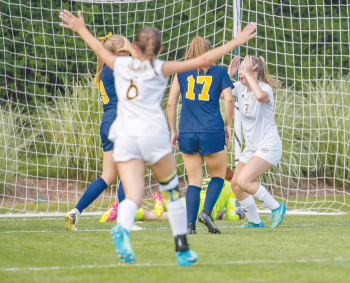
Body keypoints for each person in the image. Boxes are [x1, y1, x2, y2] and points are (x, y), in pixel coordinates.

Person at [59, 9, 256, 266]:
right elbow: (206, 57)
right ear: (158, 49)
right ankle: (182, 248)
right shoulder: (161, 67)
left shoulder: (119, 64)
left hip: (125, 134)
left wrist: (81, 28)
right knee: (172, 193)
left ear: (134, 49)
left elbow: (100, 48)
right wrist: (236, 41)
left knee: (132, 195)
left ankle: (123, 227)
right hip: (151, 135)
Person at [167, 36, 235, 235]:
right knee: (218, 175)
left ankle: (190, 226)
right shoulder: (219, 71)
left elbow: (171, 103)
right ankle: (206, 212)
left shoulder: (180, 70)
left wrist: (173, 131)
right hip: (212, 130)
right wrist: (228, 125)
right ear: (210, 52)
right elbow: (229, 99)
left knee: (194, 180)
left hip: (187, 132)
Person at [64, 32, 131, 231]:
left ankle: (75, 212)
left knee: (108, 177)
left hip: (108, 123)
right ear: (118, 53)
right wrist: (130, 48)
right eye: (125, 52)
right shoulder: (116, 66)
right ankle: (124, 222)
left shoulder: (106, 69)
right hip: (120, 122)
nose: (128, 55)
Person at [227, 54, 286, 228]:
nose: (240, 73)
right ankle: (255, 222)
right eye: (240, 70)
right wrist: (228, 75)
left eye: (244, 70)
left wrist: (250, 76)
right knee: (236, 185)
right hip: (252, 148)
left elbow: (260, 96)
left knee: (244, 181)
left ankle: (277, 208)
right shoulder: (239, 87)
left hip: (269, 146)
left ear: (254, 73)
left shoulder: (265, 89)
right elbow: (220, 93)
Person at [100, 168, 245, 225]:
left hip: (185, 200)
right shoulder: (229, 187)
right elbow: (231, 215)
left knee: (157, 215)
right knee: (166, 217)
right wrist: (240, 215)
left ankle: (127, 210)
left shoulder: (209, 180)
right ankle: (137, 210)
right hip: (196, 210)